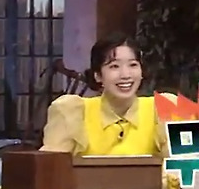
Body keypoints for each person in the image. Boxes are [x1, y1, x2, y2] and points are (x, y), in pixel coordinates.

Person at [41, 33, 175, 156]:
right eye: (114, 66)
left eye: (133, 65)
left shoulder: (165, 108)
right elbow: (53, 168)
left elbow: (181, 166)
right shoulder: (72, 112)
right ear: (98, 75)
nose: (125, 75)